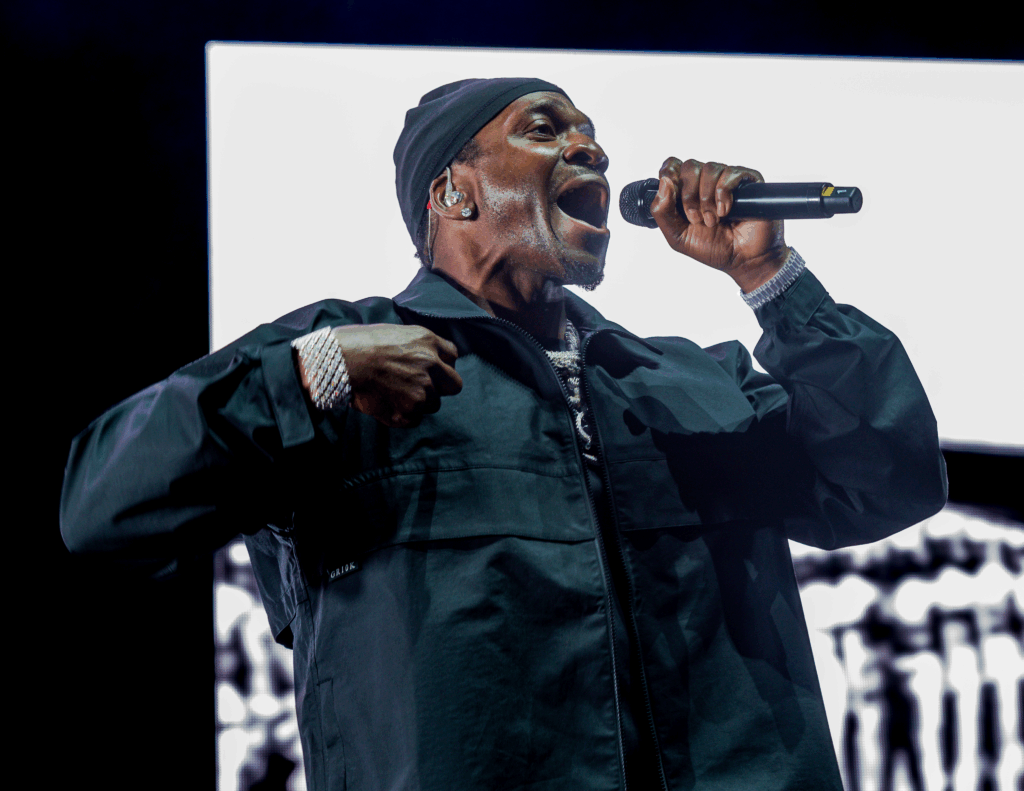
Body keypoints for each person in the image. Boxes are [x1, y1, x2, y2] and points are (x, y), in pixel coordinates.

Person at [60, 77, 947, 791]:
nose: (591, 148)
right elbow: (102, 506)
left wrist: (772, 278)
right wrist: (310, 374)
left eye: (591, 133)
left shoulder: (694, 378)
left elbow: (890, 478)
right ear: (452, 190)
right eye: (545, 129)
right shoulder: (347, 361)